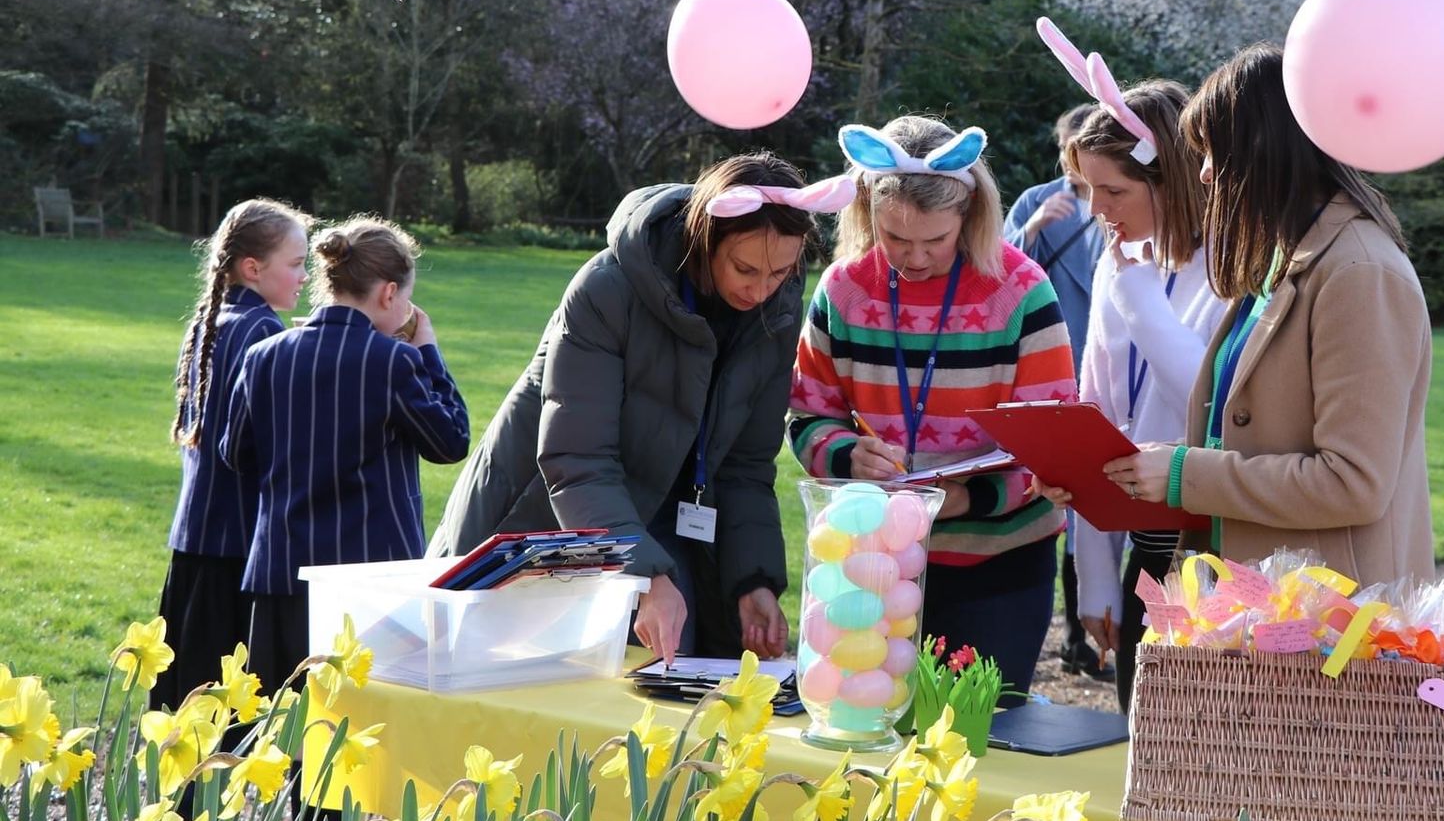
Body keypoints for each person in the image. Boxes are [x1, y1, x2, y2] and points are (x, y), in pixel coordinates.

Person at [427, 154, 853, 664]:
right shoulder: (607, 289)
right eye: (745, 269)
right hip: (544, 526)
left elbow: (745, 466)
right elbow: (577, 461)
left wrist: (753, 580)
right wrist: (643, 573)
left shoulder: (777, 310)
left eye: (780, 272)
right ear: (705, 238)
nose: (761, 289)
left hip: (663, 524)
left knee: (673, 688)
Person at [1100, 41, 1436, 593]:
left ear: (1261, 149)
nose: (1204, 175)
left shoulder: (1359, 272)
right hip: (1263, 611)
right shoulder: (1285, 258)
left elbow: (1353, 482)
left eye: (1212, 152)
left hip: (1332, 630)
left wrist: (1185, 473)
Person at [789, 118, 1077, 695]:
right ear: (867, 209)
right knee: (867, 727)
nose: (914, 258)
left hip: (997, 565)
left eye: (935, 241)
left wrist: (971, 498)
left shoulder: (1021, 291)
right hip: (870, 562)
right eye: (896, 239)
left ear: (969, 217)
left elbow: (1054, 444)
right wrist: (847, 457)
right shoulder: (843, 291)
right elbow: (807, 413)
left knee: (980, 743)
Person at [223, 217, 470, 689]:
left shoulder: (265, 355)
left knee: (284, 730)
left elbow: (235, 453)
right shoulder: (393, 360)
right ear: (389, 293)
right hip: (372, 581)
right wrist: (429, 350)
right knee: (358, 730)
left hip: (280, 571)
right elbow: (451, 440)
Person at [1054, 75, 1228, 710]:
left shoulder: (1232, 268)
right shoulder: (1116, 264)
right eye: (1087, 188)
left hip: (1214, 550)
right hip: (1143, 550)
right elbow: (1096, 419)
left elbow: (1208, 402)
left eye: (1114, 190)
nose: (1097, 208)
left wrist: (1142, 305)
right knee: (1141, 739)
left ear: (1169, 179)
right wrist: (1094, 580)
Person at [156, 198, 311, 710]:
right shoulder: (262, 330)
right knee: (219, 707)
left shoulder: (211, 319)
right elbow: (265, 445)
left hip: (195, 539)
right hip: (234, 546)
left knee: (187, 705)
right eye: (295, 264)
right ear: (252, 267)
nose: (304, 276)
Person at [1003, 99, 1108, 678]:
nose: (1081, 183)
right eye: (1072, 167)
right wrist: (1037, 225)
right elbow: (995, 264)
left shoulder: (1114, 198)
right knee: (1059, 498)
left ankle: (1094, 629)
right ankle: (1073, 635)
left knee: (1101, 498)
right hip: (1048, 367)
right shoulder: (1036, 200)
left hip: (1107, 365)